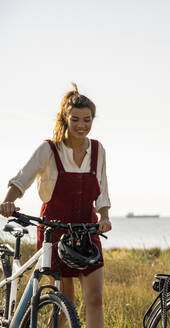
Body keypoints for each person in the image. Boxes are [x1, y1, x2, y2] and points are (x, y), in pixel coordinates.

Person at [0, 83, 111, 328]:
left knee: (95, 298)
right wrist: (8, 200)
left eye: (87, 119)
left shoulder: (98, 150)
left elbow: (102, 192)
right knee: (64, 302)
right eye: (75, 120)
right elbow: (22, 179)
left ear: (93, 119)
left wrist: (104, 217)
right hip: (55, 230)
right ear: (65, 118)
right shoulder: (49, 149)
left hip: (87, 230)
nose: (81, 125)